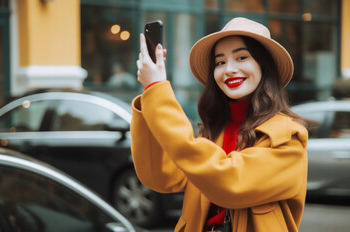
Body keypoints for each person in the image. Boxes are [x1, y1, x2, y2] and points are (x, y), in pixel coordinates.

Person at [131, 17, 309, 232]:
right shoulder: (212, 133)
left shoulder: (288, 138)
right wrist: (150, 96)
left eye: (242, 57)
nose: (229, 70)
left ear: (264, 66)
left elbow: (230, 183)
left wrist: (158, 90)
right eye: (220, 62)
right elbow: (160, 178)